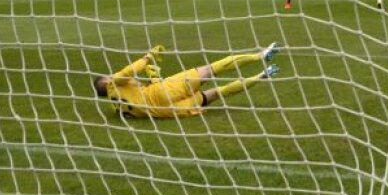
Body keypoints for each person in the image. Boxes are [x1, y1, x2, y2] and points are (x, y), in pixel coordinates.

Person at [92, 43, 279, 119]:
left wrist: (153, 75)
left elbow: (144, 98)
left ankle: (262, 75)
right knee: (211, 69)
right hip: (163, 92)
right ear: (106, 81)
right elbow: (127, 71)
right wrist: (148, 57)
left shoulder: (117, 107)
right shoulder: (112, 84)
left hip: (168, 111)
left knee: (216, 93)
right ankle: (260, 56)